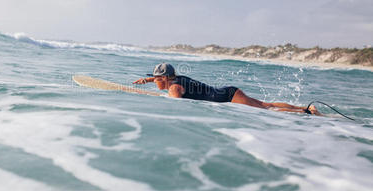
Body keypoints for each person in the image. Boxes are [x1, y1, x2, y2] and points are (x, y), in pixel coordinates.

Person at [133, 63, 320, 115]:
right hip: (227, 92)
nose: (155, 81)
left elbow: (175, 105)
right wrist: (147, 80)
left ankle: (306, 111)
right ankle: (304, 108)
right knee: (266, 105)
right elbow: (164, 81)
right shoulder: (175, 79)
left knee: (266, 107)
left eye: (156, 79)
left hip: (227, 96)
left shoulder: (174, 88)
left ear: (164, 79)